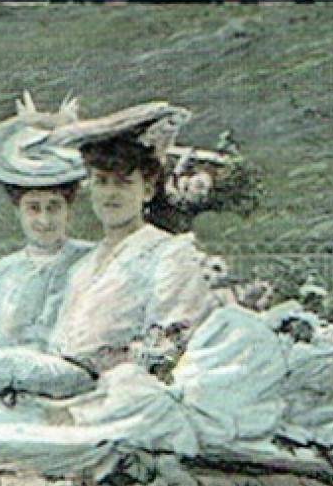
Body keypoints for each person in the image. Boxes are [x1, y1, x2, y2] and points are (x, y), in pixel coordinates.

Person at [44, 102, 221, 377]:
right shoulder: (81, 267)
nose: (111, 194)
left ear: (147, 190)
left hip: (129, 394)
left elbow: (171, 347)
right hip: (68, 390)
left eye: (124, 183)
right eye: (102, 181)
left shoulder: (168, 253)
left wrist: (98, 368)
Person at [0, 95, 94, 351]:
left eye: (54, 207)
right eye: (33, 208)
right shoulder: (3, 271)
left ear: (68, 208)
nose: (44, 220)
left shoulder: (90, 259)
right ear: (18, 211)